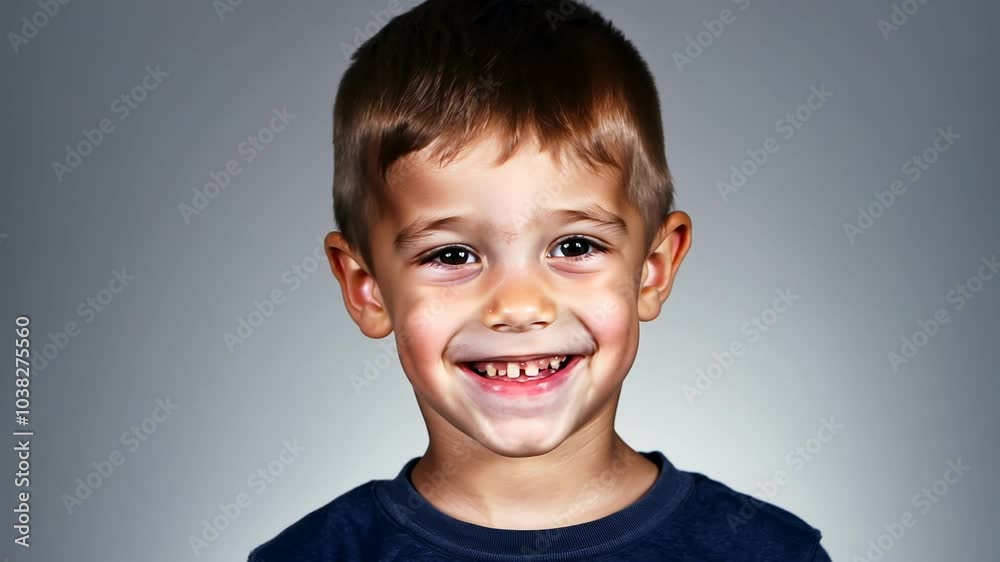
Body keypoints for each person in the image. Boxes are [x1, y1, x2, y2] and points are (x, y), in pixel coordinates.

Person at [250, 0, 831, 559]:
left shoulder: (766, 552)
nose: (519, 306)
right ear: (366, 287)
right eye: (452, 256)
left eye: (575, 246)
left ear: (652, 269)